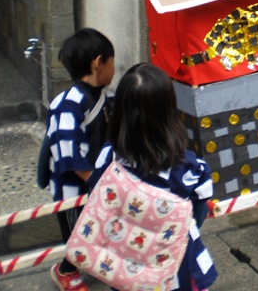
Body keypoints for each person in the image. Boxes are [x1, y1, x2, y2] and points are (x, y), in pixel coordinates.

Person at [91, 63, 218, 291]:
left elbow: (97, 198)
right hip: (175, 265)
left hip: (124, 261)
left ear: (120, 110)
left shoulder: (107, 158)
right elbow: (197, 212)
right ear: (168, 110)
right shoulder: (189, 167)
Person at [43, 28, 115, 291]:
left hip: (98, 180)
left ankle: (91, 263)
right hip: (73, 184)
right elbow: (68, 151)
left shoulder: (105, 98)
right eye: (112, 62)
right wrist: (95, 181)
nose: (113, 69)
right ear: (98, 63)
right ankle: (65, 271)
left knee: (98, 226)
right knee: (78, 230)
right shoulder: (68, 102)